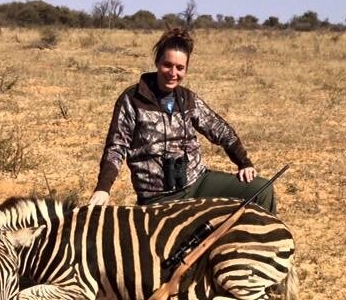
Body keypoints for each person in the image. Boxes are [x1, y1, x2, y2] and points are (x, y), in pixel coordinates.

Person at [88, 28, 277, 213]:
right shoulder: (132, 99)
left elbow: (220, 130)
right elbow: (116, 147)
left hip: (197, 183)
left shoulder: (188, 99)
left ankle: (272, 243)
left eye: (180, 68)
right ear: (157, 62)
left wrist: (244, 163)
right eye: (167, 65)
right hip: (158, 197)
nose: (173, 73)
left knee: (262, 190)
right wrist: (103, 187)